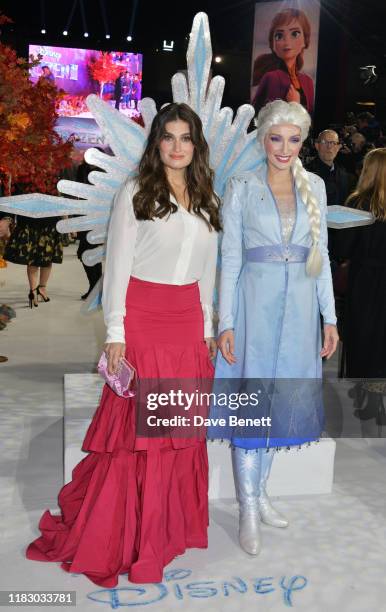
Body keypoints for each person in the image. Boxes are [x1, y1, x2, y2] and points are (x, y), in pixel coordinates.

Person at [25, 103, 220, 586]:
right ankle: (132, 539)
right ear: (156, 143)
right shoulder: (137, 191)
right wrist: (116, 332)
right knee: (141, 440)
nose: (177, 147)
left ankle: (163, 533)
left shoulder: (206, 197)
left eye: (185, 138)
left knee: (177, 434)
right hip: (145, 322)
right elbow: (118, 266)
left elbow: (208, 272)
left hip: (188, 323)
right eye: (168, 137)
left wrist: (208, 326)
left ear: (196, 145)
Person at [213, 100, 338, 557]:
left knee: (281, 401)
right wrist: (225, 321)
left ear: (303, 142)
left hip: (301, 311)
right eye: (275, 138)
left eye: (293, 139)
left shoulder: (317, 187)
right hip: (253, 310)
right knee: (253, 404)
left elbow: (319, 257)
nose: (284, 148)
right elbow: (229, 258)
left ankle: (261, 494)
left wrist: (330, 317)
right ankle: (247, 506)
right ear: (262, 139)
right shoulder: (242, 185)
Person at [336, 148, 386, 380]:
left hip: (364, 280)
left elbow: (343, 248)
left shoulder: (357, 203)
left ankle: (364, 394)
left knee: (362, 338)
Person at [252, 9, 314, 116]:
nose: (287, 41)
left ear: (305, 40)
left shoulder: (308, 81)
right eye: (279, 36)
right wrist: (294, 105)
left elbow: (309, 118)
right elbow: (263, 117)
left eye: (295, 33)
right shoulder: (271, 77)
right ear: (273, 44)